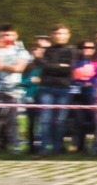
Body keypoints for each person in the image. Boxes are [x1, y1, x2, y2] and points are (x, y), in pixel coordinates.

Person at [34, 25, 79, 154]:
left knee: (60, 121)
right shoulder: (48, 50)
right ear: (53, 35)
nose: (59, 36)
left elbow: (68, 69)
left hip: (63, 89)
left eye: (62, 33)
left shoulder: (72, 50)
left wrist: (50, 65)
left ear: (68, 35)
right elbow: (42, 65)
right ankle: (44, 148)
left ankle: (57, 147)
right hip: (47, 88)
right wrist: (58, 66)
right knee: (45, 119)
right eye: (57, 33)